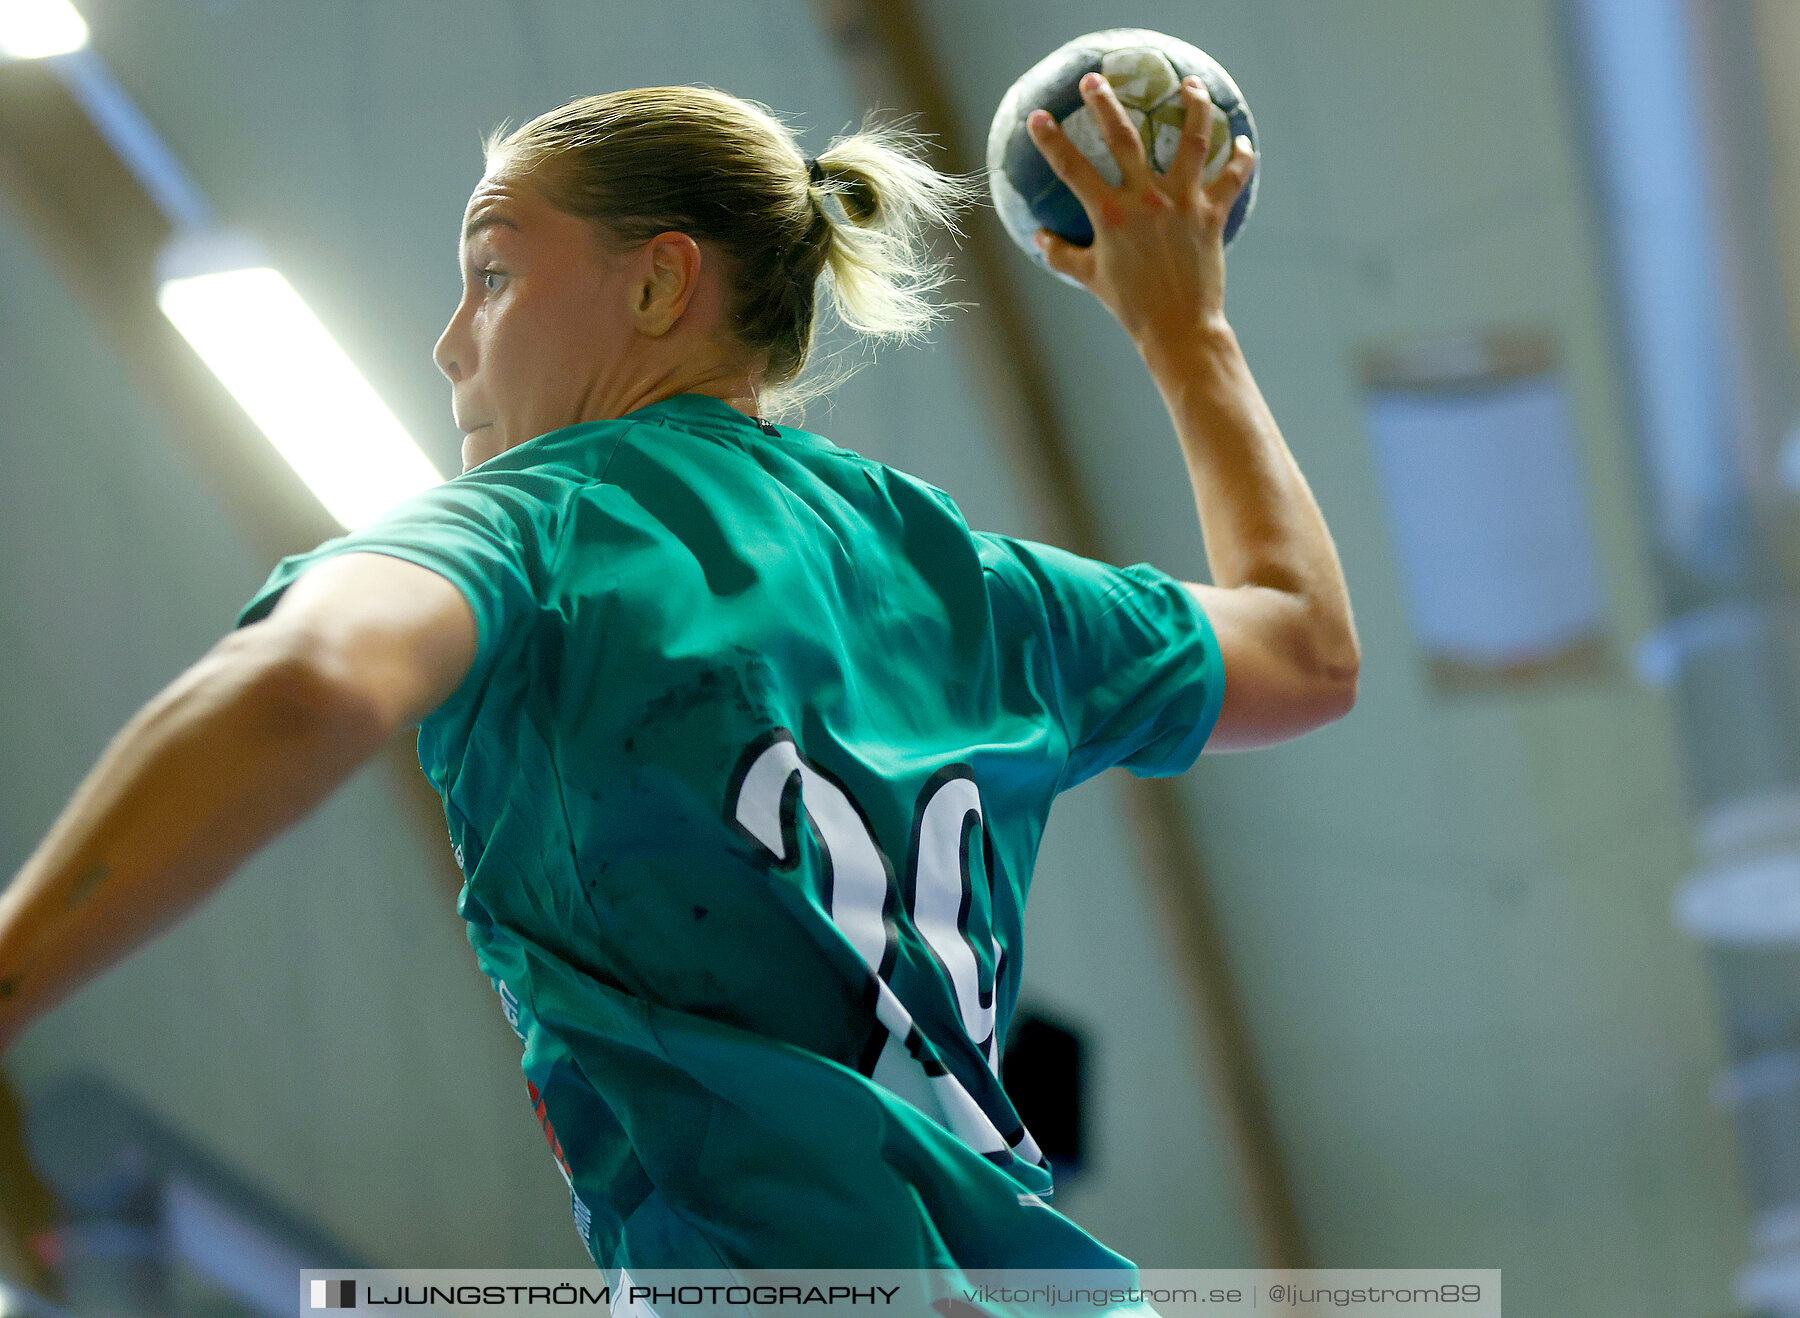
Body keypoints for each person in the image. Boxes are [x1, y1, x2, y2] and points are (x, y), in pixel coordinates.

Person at [0, 75, 1357, 1295]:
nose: (448, 342)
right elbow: (1302, 649)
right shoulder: (978, 582)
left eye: (490, 273)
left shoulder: (537, 526)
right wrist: (1188, 330)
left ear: (658, 288)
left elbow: (303, 683)